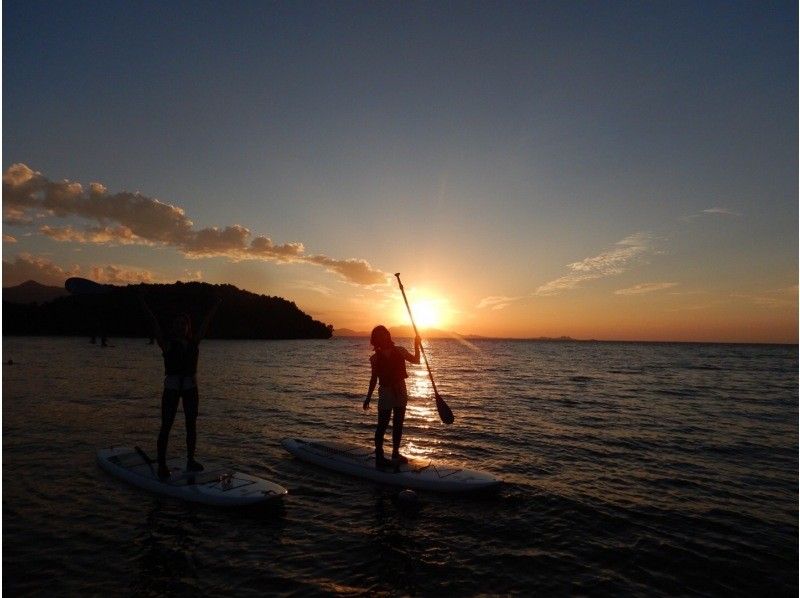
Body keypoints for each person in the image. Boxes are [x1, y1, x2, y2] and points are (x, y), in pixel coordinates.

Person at [139, 294, 221, 479]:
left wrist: (216, 305)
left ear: (187, 327)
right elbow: (153, 323)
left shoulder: (194, 342)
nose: (180, 326)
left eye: (183, 324)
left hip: (191, 388)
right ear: (173, 327)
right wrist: (142, 302)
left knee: (191, 425)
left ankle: (190, 460)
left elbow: (206, 323)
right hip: (172, 389)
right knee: (166, 426)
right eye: (177, 324)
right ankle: (162, 465)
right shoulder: (167, 344)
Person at [363, 326, 421, 468]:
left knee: (398, 423)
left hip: (400, 390)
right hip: (385, 392)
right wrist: (368, 397)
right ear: (375, 340)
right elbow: (373, 379)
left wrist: (416, 345)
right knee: (382, 424)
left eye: (384, 334)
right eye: (379, 336)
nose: (383, 337)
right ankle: (379, 456)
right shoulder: (375, 358)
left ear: (388, 335)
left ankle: (395, 453)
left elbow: (416, 360)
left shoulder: (400, 351)